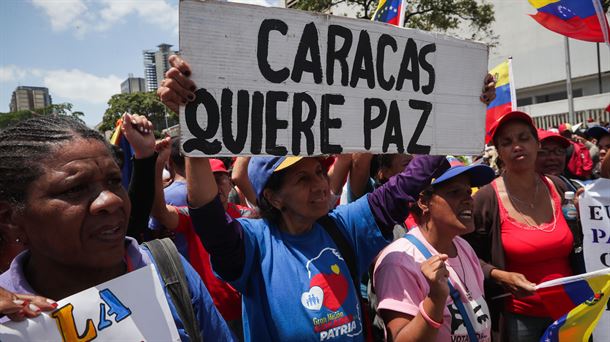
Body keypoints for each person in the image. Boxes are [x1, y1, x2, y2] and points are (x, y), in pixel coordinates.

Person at [0, 115, 233, 340]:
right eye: (74, 189)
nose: (111, 200)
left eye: (114, 181)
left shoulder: (167, 269)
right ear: (11, 218)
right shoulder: (6, 319)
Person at [466, 111, 585, 341]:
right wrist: (500, 275)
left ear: (537, 143)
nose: (517, 147)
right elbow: (467, 257)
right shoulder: (485, 199)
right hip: (519, 319)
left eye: (523, 138)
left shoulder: (560, 187)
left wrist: (584, 216)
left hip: (572, 312)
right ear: (498, 152)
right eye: (507, 142)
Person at [373, 161, 495, 342]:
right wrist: (435, 299)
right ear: (423, 202)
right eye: (455, 192)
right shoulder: (399, 261)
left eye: (468, 191)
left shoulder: (464, 248)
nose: (469, 199)